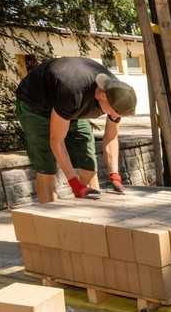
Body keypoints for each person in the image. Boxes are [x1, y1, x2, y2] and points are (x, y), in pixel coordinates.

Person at [15, 57, 137, 203]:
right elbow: (57, 141)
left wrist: (114, 175)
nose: (116, 116)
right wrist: (74, 183)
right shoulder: (73, 90)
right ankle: (52, 220)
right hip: (36, 107)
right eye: (115, 112)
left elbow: (111, 137)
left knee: (88, 163)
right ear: (102, 95)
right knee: (47, 168)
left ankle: (90, 217)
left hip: (68, 107)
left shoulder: (117, 93)